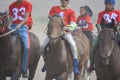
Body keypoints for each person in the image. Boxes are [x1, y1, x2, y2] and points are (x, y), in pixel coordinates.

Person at [41, 0, 80, 74]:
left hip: (65, 32)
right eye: (62, 0)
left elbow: (73, 24)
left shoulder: (71, 12)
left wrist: (68, 27)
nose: (63, 2)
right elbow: (50, 17)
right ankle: (46, 62)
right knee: (42, 46)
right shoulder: (54, 8)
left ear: (68, 2)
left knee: (72, 44)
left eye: (65, 0)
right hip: (54, 32)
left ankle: (75, 64)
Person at [88, 0, 120, 73]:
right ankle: (91, 65)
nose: (107, 5)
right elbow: (98, 23)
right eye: (106, 4)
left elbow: (119, 22)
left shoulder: (118, 13)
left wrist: (118, 27)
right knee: (93, 46)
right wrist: (99, 29)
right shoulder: (101, 13)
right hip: (103, 32)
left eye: (109, 4)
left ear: (113, 4)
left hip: (114, 32)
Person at [8, 0, 33, 78]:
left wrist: (19, 25)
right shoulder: (11, 5)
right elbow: (11, 19)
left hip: (22, 27)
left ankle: (24, 69)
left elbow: (26, 18)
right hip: (12, 27)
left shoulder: (27, 4)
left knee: (27, 47)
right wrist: (9, 26)